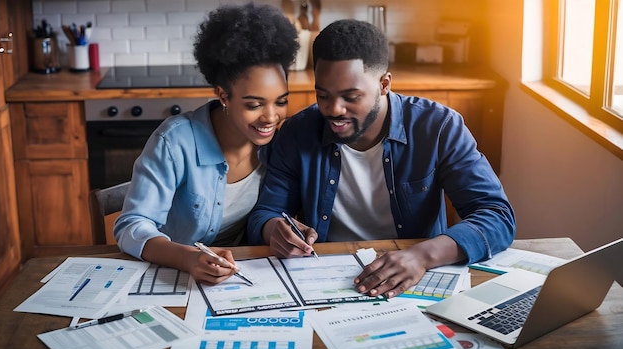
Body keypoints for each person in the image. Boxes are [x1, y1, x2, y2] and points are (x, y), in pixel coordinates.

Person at [247, 19, 515, 298]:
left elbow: (496, 216)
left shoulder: (438, 127)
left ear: (384, 83)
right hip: (325, 279)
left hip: (413, 277)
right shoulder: (297, 132)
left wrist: (422, 256)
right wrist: (273, 229)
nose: (334, 109)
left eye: (351, 96)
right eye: (323, 95)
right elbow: (265, 213)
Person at [114, 3, 299, 285]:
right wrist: (187, 258)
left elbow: (269, 213)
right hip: (171, 278)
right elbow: (131, 226)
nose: (271, 117)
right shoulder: (175, 142)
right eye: (253, 104)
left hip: (244, 277)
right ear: (223, 96)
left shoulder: (279, 144)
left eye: (281, 101)